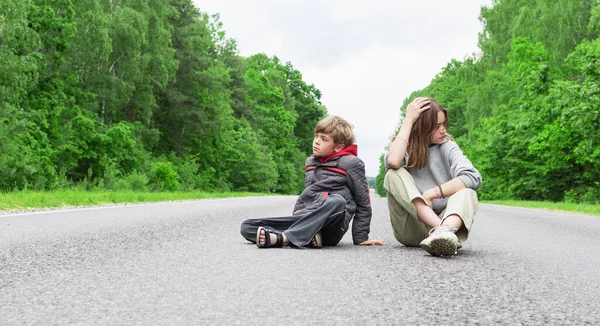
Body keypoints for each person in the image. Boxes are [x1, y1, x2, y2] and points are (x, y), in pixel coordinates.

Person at [240, 115, 384, 248]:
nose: (316, 141)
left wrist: (361, 238)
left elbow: (363, 202)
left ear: (338, 147)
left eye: (324, 139)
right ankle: (308, 237)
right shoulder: (311, 162)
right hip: (305, 218)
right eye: (316, 136)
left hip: (331, 226)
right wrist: (299, 217)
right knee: (248, 226)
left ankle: (283, 238)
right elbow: (309, 195)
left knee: (338, 201)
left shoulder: (352, 163)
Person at [384, 97, 481, 256]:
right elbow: (394, 161)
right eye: (437, 126)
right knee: (393, 174)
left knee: (468, 192)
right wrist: (408, 120)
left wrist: (432, 193)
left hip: (448, 221)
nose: (443, 129)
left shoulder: (447, 146)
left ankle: (444, 232)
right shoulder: (404, 148)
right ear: (422, 127)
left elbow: (472, 176)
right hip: (413, 229)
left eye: (444, 124)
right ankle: (442, 233)